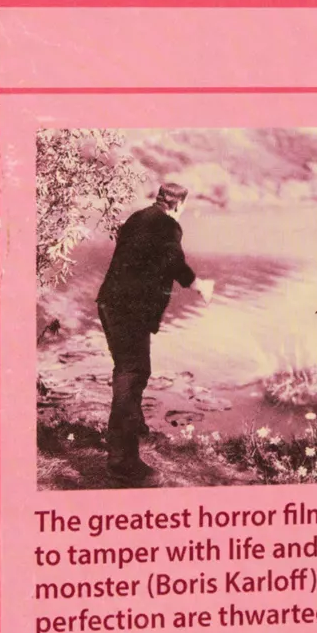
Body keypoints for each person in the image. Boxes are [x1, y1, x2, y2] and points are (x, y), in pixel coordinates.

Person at [97, 180, 196, 484]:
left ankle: (136, 428)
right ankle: (122, 462)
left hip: (110, 303)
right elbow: (174, 261)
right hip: (129, 311)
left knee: (127, 369)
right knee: (133, 374)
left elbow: (142, 259)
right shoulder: (168, 225)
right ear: (179, 204)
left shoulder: (138, 217)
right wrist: (197, 284)